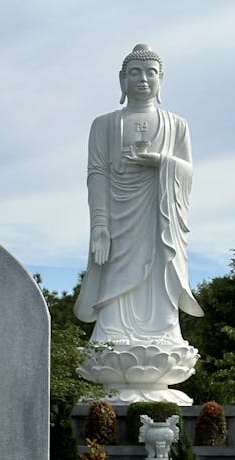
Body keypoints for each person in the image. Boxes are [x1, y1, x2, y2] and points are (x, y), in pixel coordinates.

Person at [74, 43, 203, 345]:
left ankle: (163, 334)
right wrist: (101, 226)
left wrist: (160, 162)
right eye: (135, 72)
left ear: (161, 79)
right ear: (122, 79)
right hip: (119, 219)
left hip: (160, 219)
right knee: (115, 271)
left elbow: (187, 172)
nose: (143, 79)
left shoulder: (177, 125)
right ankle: (113, 334)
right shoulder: (104, 125)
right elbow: (97, 175)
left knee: (160, 269)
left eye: (151, 72)